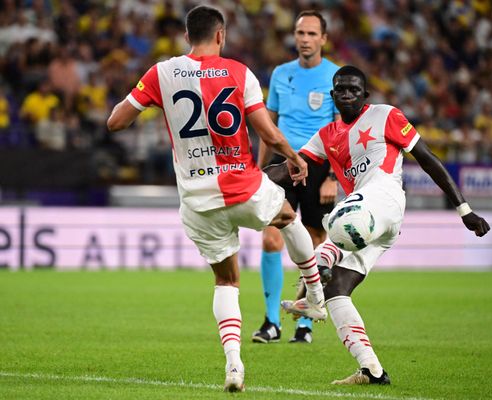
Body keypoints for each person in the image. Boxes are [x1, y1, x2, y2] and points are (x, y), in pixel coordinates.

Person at [106, 5, 327, 392]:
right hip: (241, 185)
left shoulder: (161, 73)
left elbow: (116, 122)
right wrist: (294, 160)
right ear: (220, 35)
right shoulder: (239, 72)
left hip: (196, 200)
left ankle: (234, 365)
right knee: (289, 217)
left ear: (187, 36)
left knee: (227, 280)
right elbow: (270, 135)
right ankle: (316, 294)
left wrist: (144, 100)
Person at [278, 65, 490, 385]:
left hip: (384, 198)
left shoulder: (386, 115)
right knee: (338, 290)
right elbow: (291, 166)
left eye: (353, 89)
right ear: (333, 96)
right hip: (371, 225)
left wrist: (464, 209)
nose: (347, 94)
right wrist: (249, 181)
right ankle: (372, 371)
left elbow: (428, 158)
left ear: (365, 95)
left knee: (336, 222)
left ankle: (311, 291)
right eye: (341, 90)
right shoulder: (326, 135)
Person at [252, 10, 340, 345]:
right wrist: (259, 172)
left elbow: (339, 131)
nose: (305, 39)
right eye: (300, 33)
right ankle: (272, 322)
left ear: (323, 39)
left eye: (311, 34)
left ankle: (306, 321)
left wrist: (332, 175)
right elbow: (268, 126)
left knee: (316, 242)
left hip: (319, 165)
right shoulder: (280, 74)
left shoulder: (334, 76)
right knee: (271, 238)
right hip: (281, 163)